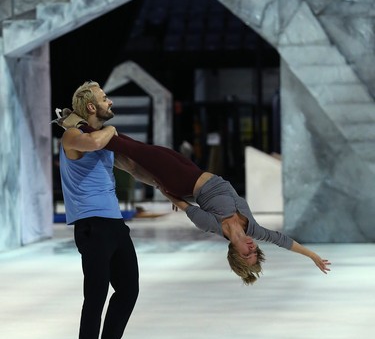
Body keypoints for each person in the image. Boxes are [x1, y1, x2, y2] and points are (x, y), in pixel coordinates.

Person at [55, 81, 331, 287]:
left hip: (181, 178)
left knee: (131, 149)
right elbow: (283, 241)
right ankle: (86, 128)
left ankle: (75, 122)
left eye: (247, 254)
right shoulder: (253, 227)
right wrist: (312, 256)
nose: (252, 248)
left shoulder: (213, 226)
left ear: (236, 253)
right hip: (192, 170)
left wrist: (166, 189)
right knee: (131, 154)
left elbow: (185, 206)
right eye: (255, 251)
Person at [58, 81, 139, 339]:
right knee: (96, 294)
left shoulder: (102, 141)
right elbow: (93, 144)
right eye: (104, 98)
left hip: (115, 224)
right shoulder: (73, 136)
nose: (110, 101)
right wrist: (113, 133)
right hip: (91, 225)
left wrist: (167, 186)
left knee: (128, 289)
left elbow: (133, 167)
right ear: (91, 107)